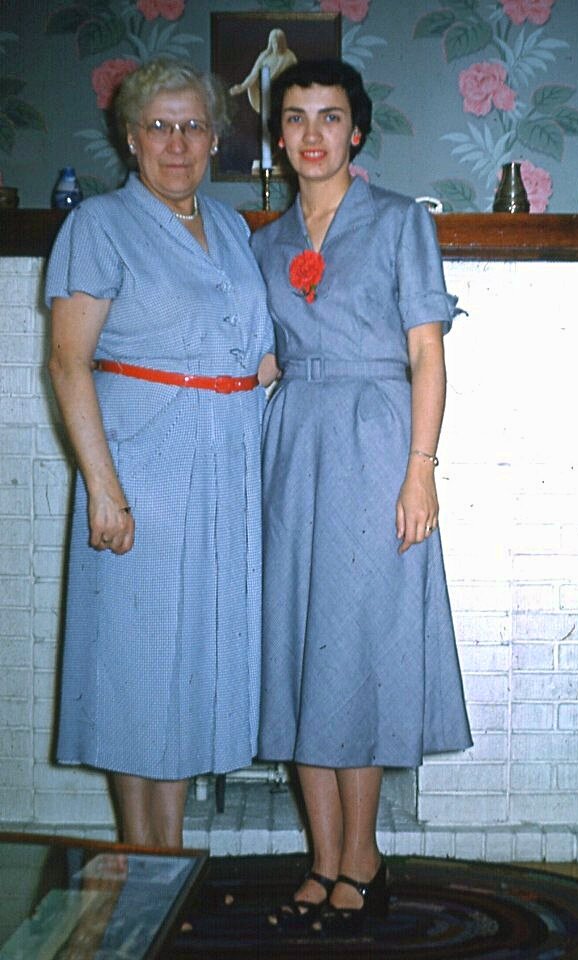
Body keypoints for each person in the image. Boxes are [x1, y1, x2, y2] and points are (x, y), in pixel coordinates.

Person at [250, 59, 472, 935]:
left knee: (355, 650)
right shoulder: (264, 243)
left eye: (330, 117)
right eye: (296, 117)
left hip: (376, 443)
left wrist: (421, 467)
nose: (313, 134)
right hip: (293, 447)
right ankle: (324, 858)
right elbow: (265, 357)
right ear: (278, 137)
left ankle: (363, 858)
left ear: (357, 132)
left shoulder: (399, 222)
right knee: (299, 647)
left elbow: (427, 354)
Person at [46, 58, 275, 848]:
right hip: (144, 466)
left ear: (214, 140)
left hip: (224, 473)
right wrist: (103, 489)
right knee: (138, 665)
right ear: (131, 138)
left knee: (187, 668)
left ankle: (160, 863)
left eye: (193, 127)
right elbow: (67, 363)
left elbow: (253, 350)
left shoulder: (233, 229)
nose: (177, 144)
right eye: (159, 127)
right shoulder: (98, 225)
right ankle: (147, 859)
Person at [229, 29, 297, 112]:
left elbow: (296, 74)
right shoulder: (264, 56)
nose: (276, 46)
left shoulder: (289, 56)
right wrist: (242, 86)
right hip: (266, 91)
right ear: (270, 43)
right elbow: (253, 74)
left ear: (283, 43)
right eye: (274, 43)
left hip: (283, 91)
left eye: (279, 43)